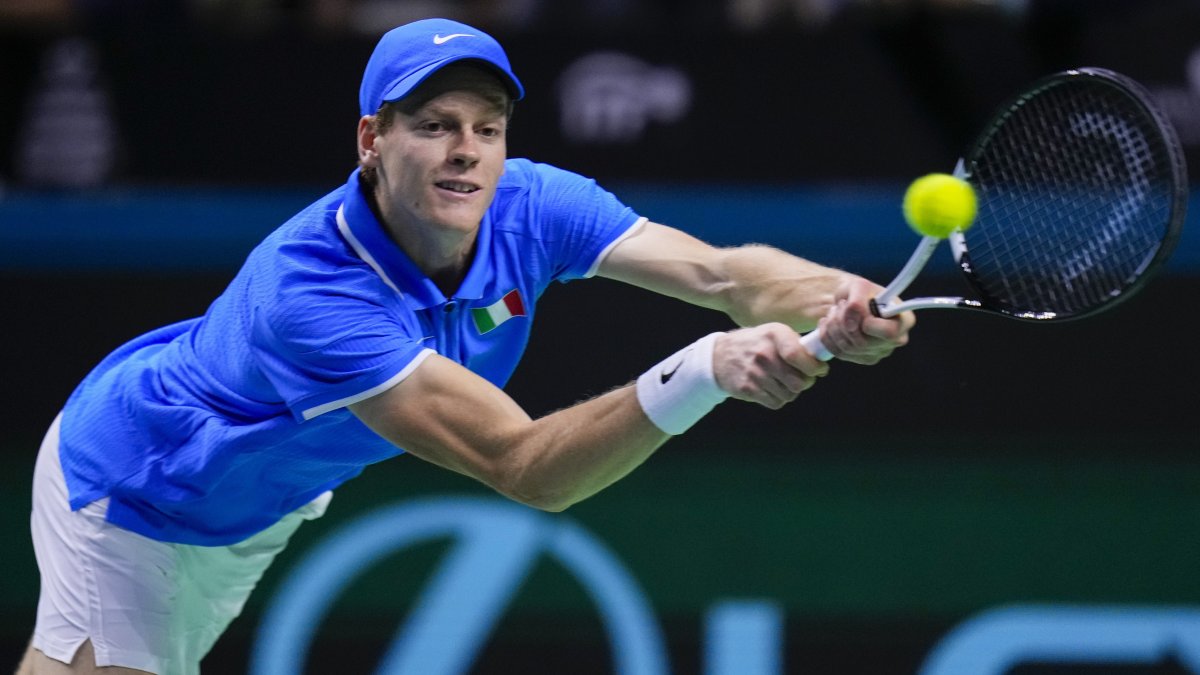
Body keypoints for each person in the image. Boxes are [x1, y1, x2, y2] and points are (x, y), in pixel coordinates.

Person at [17, 17, 914, 675]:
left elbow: (723, 275)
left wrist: (836, 299)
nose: (467, 152)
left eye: (487, 128)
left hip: (245, 511)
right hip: (135, 489)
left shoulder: (531, 202)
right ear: (372, 140)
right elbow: (526, 466)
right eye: (434, 124)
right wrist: (707, 370)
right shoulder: (314, 295)